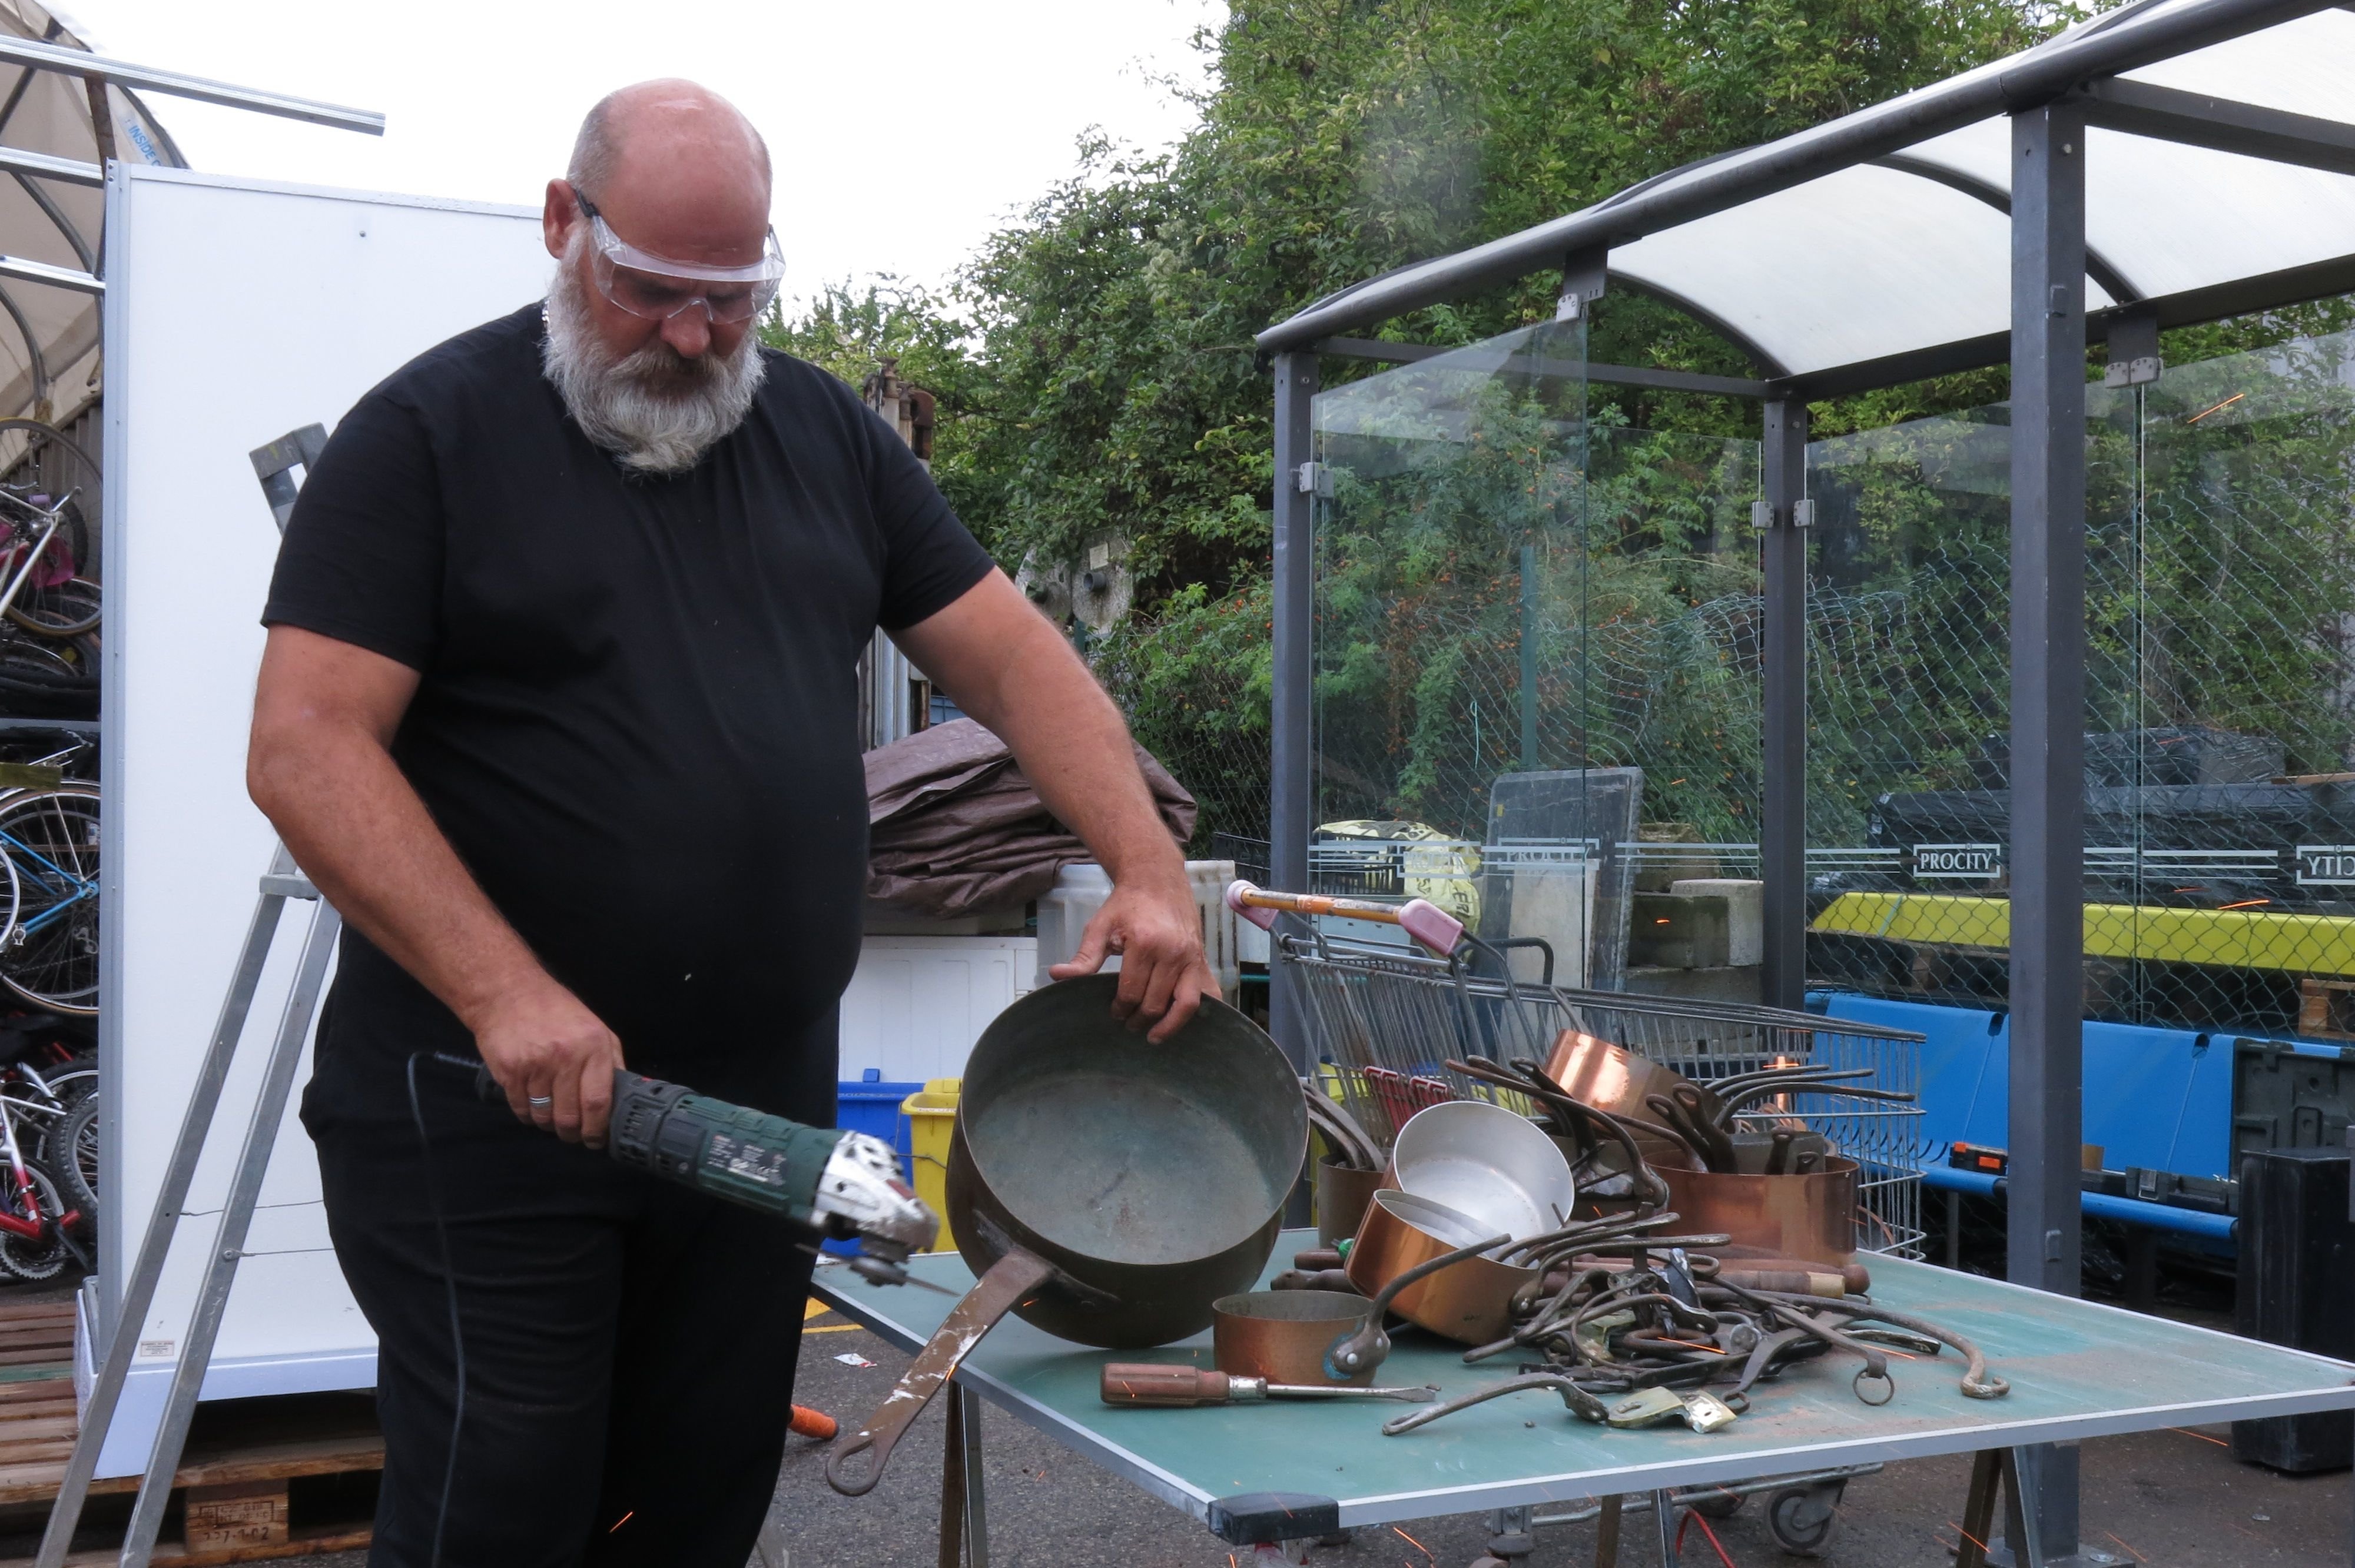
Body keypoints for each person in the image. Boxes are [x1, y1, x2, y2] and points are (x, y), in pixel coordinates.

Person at [246, 78, 1216, 1568]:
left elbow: (1018, 660)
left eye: (732, 297)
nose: (694, 338)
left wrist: (1146, 871)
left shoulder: (826, 435)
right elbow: (307, 749)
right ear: (565, 225)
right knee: (499, 1511)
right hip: (489, 1111)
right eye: (652, 293)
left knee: (690, 1503)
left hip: (754, 1112)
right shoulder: (428, 438)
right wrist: (509, 996)